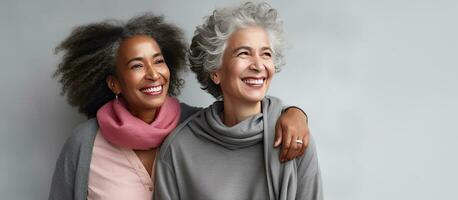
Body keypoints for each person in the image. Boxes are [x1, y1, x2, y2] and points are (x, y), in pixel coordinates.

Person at [49, 13, 310, 200]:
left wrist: (294, 113)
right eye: (137, 65)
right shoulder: (85, 144)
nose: (153, 74)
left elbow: (239, 118)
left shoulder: (193, 125)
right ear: (115, 83)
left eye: (159, 61)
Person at [154, 2, 323, 200]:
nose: (259, 66)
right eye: (244, 53)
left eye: (266, 54)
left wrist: (296, 113)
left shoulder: (293, 138)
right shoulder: (178, 148)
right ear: (215, 71)